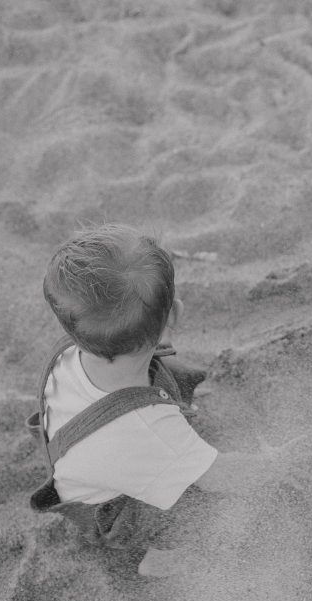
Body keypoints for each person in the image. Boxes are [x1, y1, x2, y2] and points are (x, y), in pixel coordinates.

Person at [37, 223, 273, 575]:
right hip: (113, 508)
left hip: (81, 459)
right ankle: (163, 558)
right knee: (202, 509)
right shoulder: (149, 431)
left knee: (173, 370)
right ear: (174, 314)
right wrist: (278, 466)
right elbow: (221, 476)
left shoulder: (69, 355)